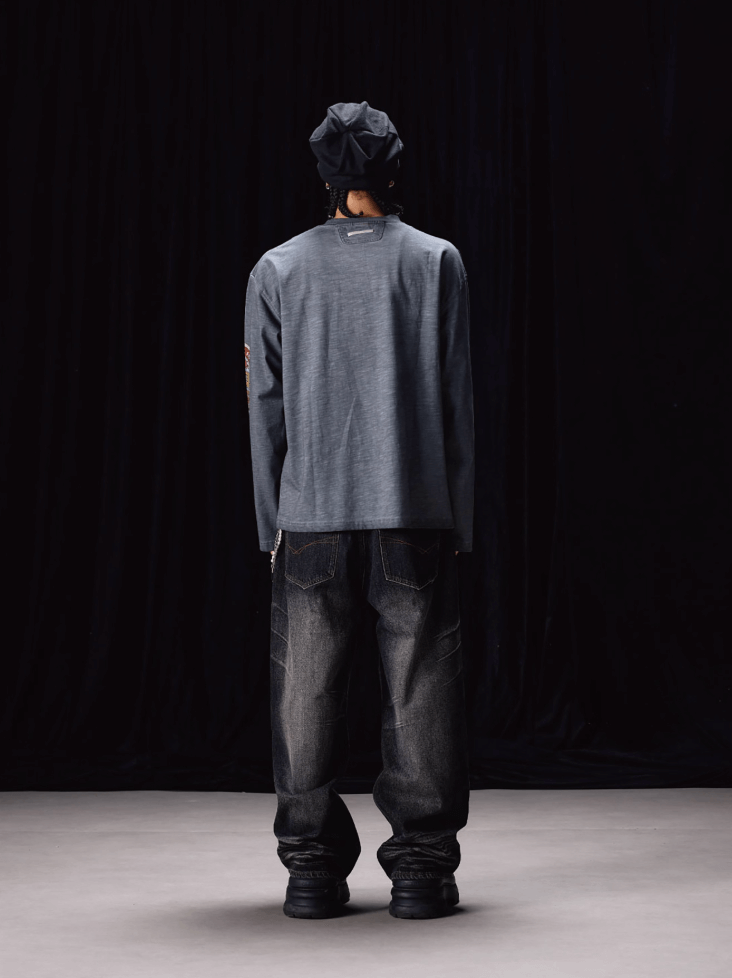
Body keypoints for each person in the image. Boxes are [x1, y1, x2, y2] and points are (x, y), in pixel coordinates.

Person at [244, 101, 475, 919]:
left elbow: (263, 409)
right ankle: (421, 871)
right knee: (421, 690)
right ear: (393, 168)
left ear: (326, 175)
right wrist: (459, 518)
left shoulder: (277, 269)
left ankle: (310, 870)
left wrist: (273, 522)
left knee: (304, 694)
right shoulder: (437, 261)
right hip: (414, 512)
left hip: (310, 519)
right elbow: (456, 404)